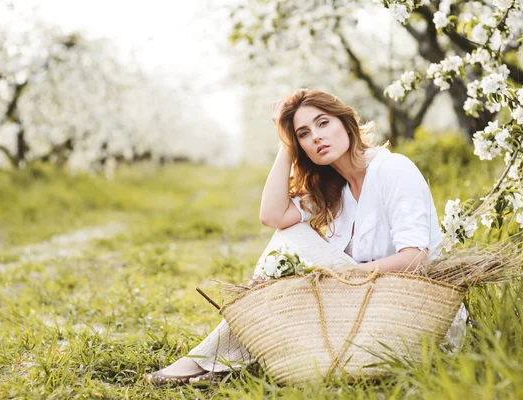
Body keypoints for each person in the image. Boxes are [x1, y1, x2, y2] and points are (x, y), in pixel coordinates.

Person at [146, 88, 464, 386]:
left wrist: (342, 274)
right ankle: (217, 361)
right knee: (288, 233)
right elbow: (271, 215)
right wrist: (286, 144)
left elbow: (416, 258)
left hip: (411, 311)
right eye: (304, 135)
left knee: (292, 241)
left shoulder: (393, 170)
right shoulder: (331, 189)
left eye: (323, 123)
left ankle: (204, 360)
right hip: (363, 306)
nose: (317, 137)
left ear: (346, 122)